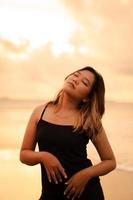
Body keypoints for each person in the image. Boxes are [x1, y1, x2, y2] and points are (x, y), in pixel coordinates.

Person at [20, 66, 116, 200]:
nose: (76, 80)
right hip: (50, 194)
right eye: (76, 75)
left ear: (87, 98)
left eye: (84, 82)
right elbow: (24, 154)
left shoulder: (88, 119)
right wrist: (44, 156)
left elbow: (110, 161)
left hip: (86, 193)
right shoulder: (40, 111)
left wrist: (85, 175)